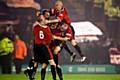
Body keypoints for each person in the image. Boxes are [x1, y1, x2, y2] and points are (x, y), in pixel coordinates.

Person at [24, 14, 56, 80]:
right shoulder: (47, 28)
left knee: (37, 63)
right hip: (43, 46)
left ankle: (31, 76)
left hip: (36, 47)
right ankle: (54, 79)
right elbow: (50, 39)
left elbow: (34, 32)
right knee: (52, 63)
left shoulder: (35, 27)